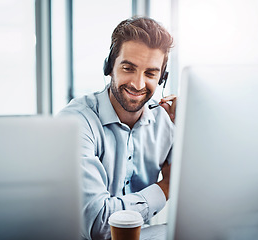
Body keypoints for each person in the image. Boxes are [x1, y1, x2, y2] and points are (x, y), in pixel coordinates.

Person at [58, 17, 176, 240]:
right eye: (128, 68)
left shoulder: (166, 121)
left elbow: (205, 188)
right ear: (109, 67)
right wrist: (166, 188)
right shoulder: (75, 123)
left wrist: (191, 125)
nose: (138, 84)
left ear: (162, 78)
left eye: (150, 73)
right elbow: (99, 225)